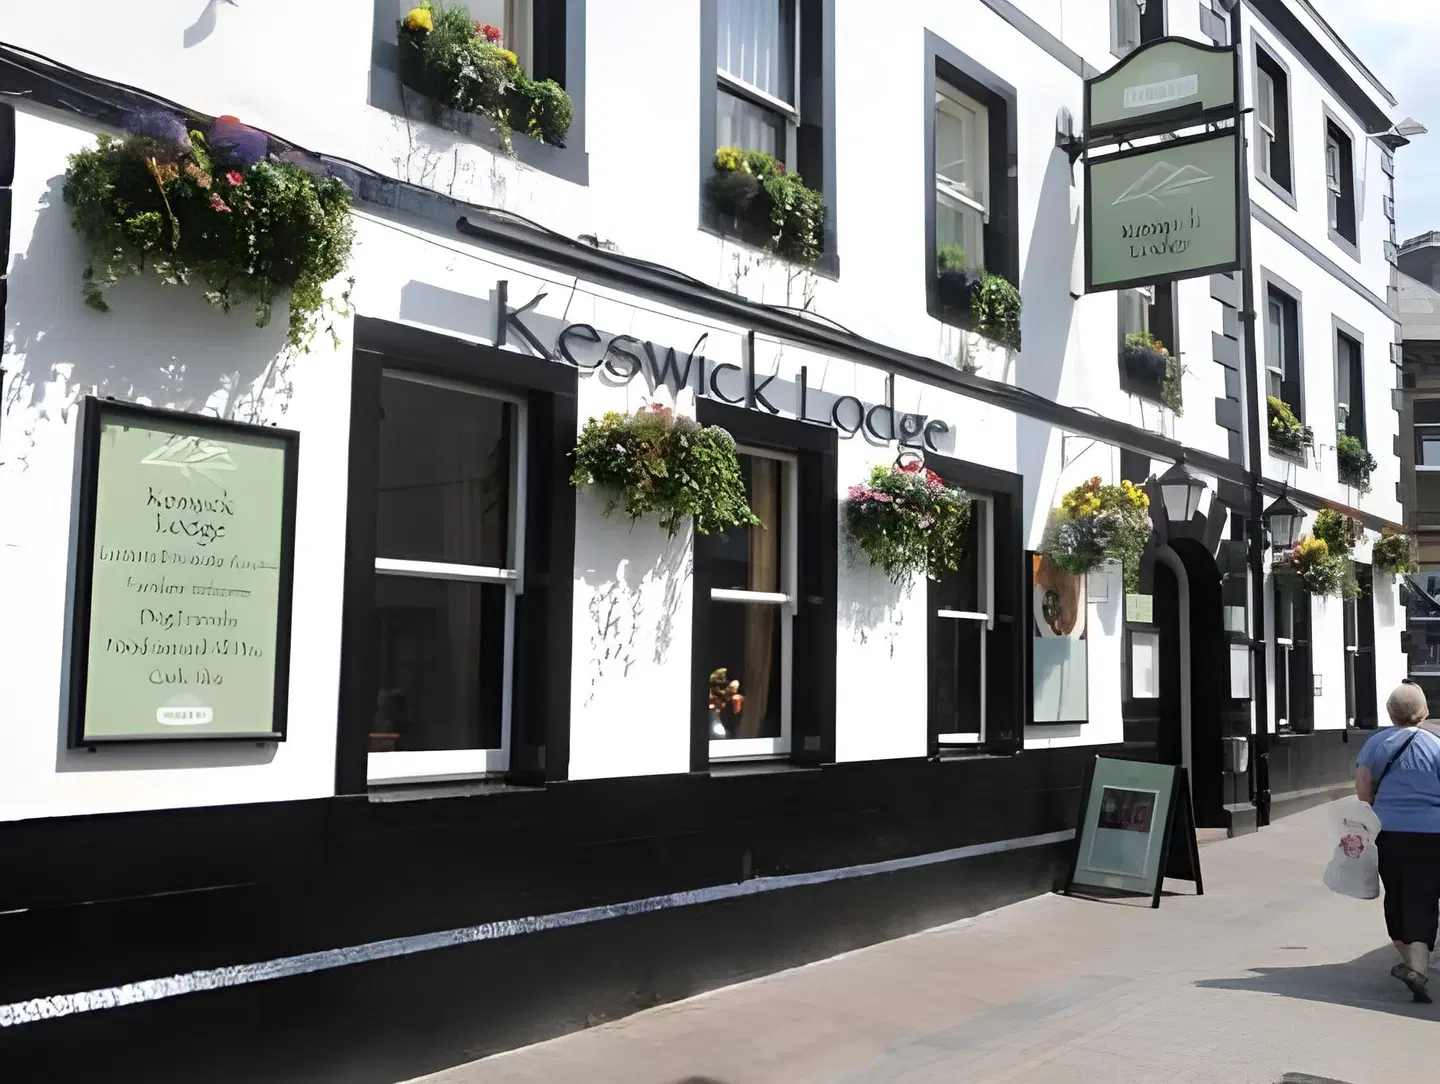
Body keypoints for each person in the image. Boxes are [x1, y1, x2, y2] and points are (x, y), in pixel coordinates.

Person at [1355, 680, 1440, 1003]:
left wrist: (1373, 812)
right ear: (1424, 711)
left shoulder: (1377, 744)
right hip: (1433, 834)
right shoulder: (1435, 746)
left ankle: (1412, 963)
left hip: (1389, 832)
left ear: (1391, 713)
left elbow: (1363, 788)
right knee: (1424, 894)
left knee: (1397, 895)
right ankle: (1417, 965)